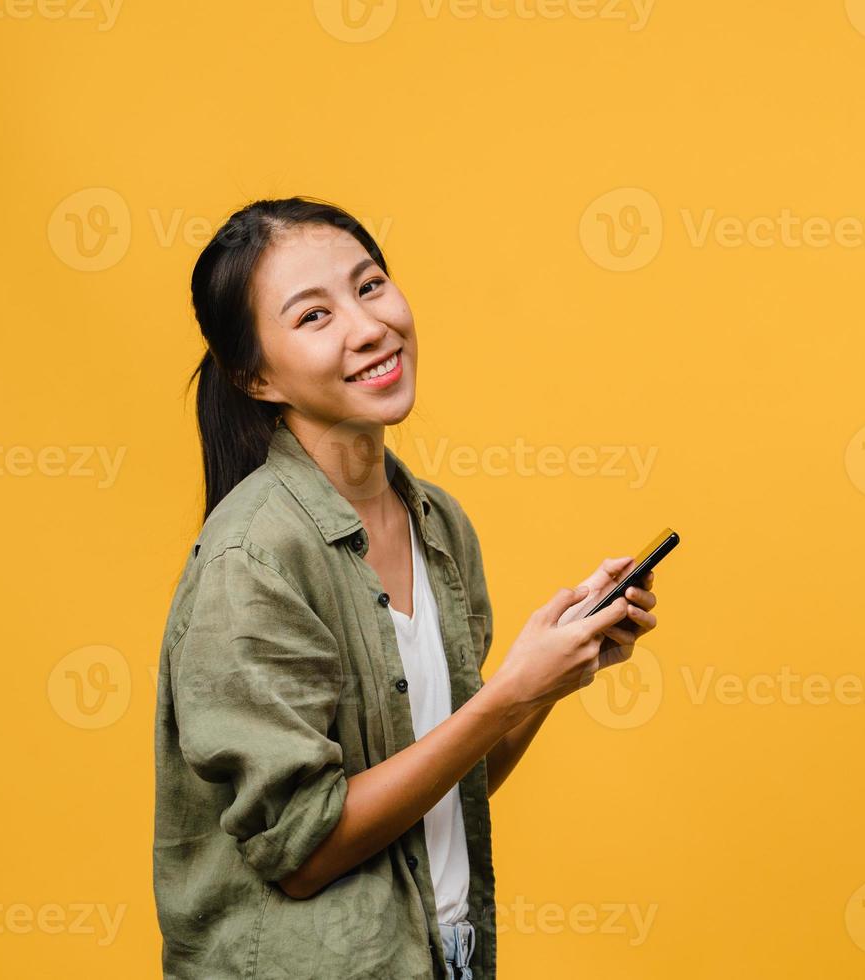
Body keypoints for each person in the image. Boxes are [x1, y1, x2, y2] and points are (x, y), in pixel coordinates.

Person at [152, 197, 658, 979]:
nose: (367, 327)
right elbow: (305, 850)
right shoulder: (252, 560)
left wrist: (548, 678)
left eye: (370, 285)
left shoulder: (438, 525)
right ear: (255, 376)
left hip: (439, 954)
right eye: (313, 317)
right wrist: (507, 693)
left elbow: (445, 784)